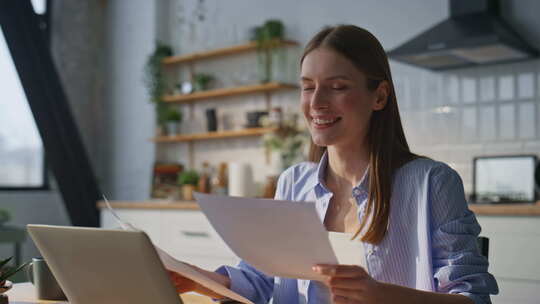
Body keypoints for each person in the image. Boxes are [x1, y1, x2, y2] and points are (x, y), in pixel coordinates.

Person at [167, 25, 499, 304]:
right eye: (307, 87)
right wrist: (198, 279)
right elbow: (261, 279)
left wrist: (378, 294)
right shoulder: (294, 181)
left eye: (337, 87)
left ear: (379, 96)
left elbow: (473, 299)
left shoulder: (432, 182)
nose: (316, 103)